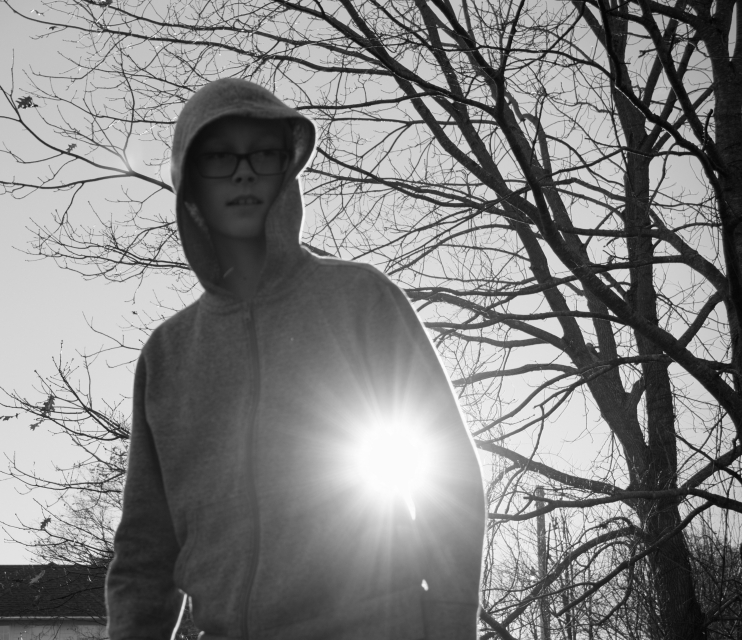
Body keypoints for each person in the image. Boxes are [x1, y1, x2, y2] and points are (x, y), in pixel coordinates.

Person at [104, 78, 486, 640]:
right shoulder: (167, 354)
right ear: (190, 186)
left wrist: (450, 627)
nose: (243, 173)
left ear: (287, 168)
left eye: (262, 153)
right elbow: (144, 550)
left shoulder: (361, 300)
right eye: (219, 157)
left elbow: (448, 479)